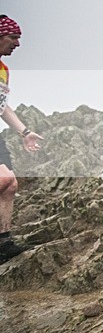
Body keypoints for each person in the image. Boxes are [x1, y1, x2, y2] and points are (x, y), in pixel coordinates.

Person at [0, 15, 43, 263]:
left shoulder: (3, 70)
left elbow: (3, 107)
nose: (17, 44)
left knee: (10, 184)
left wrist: (25, 132)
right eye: (13, 38)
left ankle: (4, 243)